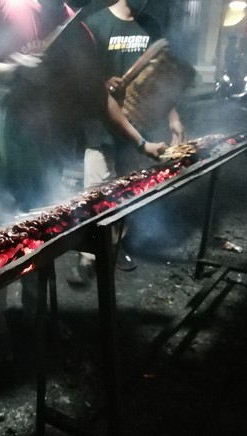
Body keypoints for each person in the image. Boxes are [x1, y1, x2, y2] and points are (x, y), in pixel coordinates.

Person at [0, 0, 167, 364]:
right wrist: (9, 69)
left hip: (46, 155)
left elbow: (98, 96)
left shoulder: (73, 24)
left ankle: (37, 316)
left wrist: (142, 142)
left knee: (41, 242)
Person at [67, 0, 187, 286]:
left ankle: (114, 246)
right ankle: (88, 256)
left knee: (127, 191)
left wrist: (173, 117)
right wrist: (103, 82)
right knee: (95, 194)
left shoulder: (151, 26)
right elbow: (82, 80)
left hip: (138, 126)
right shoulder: (94, 25)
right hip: (100, 126)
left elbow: (161, 78)